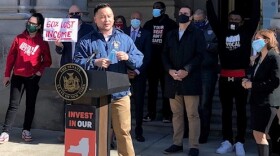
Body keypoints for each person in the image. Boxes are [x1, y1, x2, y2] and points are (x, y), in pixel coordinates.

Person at [73, 3, 143, 156]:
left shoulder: (124, 39)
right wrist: (94, 62)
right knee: (94, 133)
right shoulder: (86, 40)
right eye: (102, 17)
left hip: (120, 94)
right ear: (95, 20)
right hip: (95, 96)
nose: (106, 20)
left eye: (109, 16)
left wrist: (128, 57)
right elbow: (76, 63)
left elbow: (139, 59)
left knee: (123, 132)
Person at [206, 0, 260, 155]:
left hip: (241, 78)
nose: (234, 22)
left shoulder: (246, 31)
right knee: (226, 111)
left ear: (242, 22)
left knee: (241, 111)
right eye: (231, 19)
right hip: (224, 78)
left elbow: (255, 16)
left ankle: (240, 141)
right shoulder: (222, 31)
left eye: (237, 20)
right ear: (227, 20)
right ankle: (227, 140)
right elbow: (212, 16)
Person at [0, 12, 52, 143]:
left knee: (30, 105)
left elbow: (47, 61)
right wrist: (7, 75)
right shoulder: (19, 38)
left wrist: (40, 71)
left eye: (33, 24)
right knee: (13, 105)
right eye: (29, 23)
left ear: (39, 26)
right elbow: (11, 58)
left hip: (33, 78)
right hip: (17, 76)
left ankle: (26, 130)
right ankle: (6, 131)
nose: (30, 25)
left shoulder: (42, 42)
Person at [162, 6, 205, 156]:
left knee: (192, 114)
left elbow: (200, 55)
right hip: (173, 79)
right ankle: (177, 143)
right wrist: (169, 70)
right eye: (180, 13)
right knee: (176, 114)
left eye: (186, 14)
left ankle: (194, 146)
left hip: (190, 79)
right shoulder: (171, 34)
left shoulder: (197, 33)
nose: (182, 15)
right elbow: (164, 54)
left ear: (191, 16)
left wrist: (187, 69)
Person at [241, 29, 280, 156]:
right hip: (257, 101)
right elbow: (256, 76)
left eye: (257, 39)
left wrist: (253, 84)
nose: (255, 41)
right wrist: (247, 80)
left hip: (267, 102)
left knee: (259, 134)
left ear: (267, 40)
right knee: (263, 134)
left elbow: (275, 82)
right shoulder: (259, 58)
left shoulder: (274, 57)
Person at [143, 1, 177, 123]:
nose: (155, 10)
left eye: (158, 8)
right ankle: (150, 113)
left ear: (163, 9)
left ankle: (166, 114)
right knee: (151, 89)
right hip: (152, 62)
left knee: (165, 89)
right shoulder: (148, 24)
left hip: (166, 62)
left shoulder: (171, 24)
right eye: (154, 8)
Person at [123, 11, 152, 142]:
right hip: (124, 74)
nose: (135, 20)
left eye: (138, 19)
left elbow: (148, 56)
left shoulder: (146, 34)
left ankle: (139, 131)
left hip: (139, 74)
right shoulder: (123, 32)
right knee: (123, 103)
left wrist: (137, 71)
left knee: (139, 104)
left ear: (141, 20)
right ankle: (124, 131)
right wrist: (126, 71)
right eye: (133, 18)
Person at [193, 9, 218, 144]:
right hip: (192, 70)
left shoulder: (213, 28)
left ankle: (204, 133)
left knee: (204, 104)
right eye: (195, 21)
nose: (197, 23)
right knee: (192, 104)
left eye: (199, 21)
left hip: (208, 70)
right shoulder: (191, 28)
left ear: (205, 18)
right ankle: (190, 131)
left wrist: (206, 45)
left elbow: (219, 46)